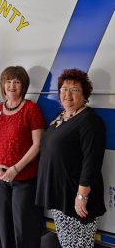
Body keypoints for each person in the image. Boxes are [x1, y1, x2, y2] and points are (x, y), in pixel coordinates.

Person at [36, 69, 106, 248]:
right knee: (67, 242)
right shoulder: (62, 118)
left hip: (76, 198)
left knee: (78, 244)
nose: (67, 94)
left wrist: (82, 196)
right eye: (64, 89)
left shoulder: (90, 121)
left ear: (84, 94)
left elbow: (92, 162)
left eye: (74, 90)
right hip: (61, 195)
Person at [0, 66, 45, 248]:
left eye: (17, 82)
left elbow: (37, 145)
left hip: (24, 180)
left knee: (24, 229)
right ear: (3, 85)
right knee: (5, 228)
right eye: (8, 81)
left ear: (23, 85)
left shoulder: (31, 109)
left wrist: (15, 169)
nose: (12, 86)